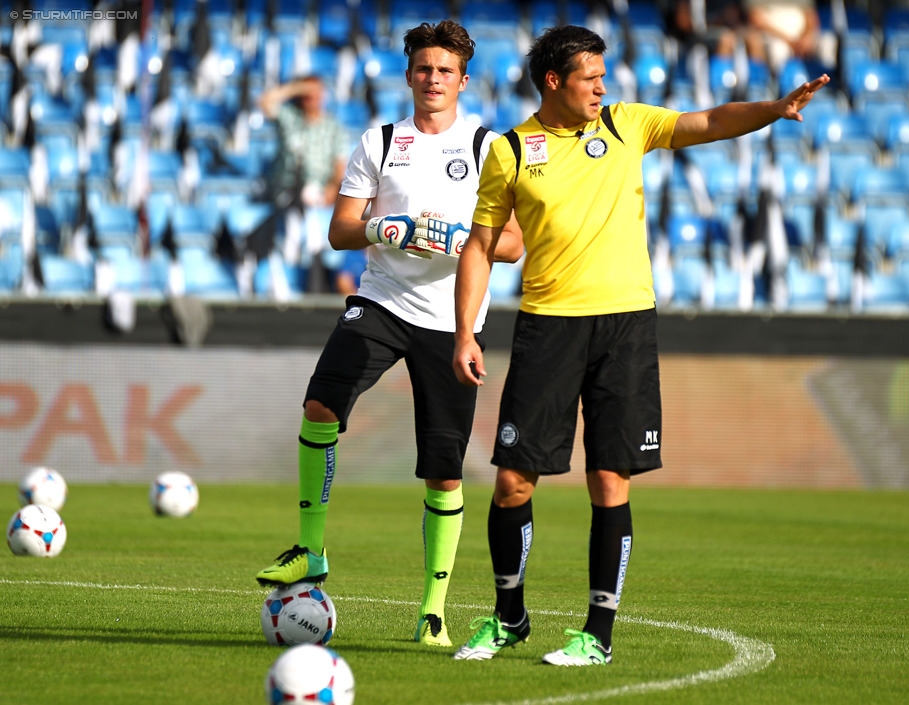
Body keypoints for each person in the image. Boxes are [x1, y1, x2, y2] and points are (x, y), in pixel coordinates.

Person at [451, 24, 828, 666]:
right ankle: (509, 617)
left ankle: (597, 634)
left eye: (603, 74)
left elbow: (706, 121)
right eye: (589, 76)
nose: (603, 85)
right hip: (548, 326)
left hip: (626, 325)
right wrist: (466, 330)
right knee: (513, 481)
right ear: (553, 81)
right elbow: (483, 246)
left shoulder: (627, 124)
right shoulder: (512, 150)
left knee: (609, 479)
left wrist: (774, 109)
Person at [254, 20, 524, 650]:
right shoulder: (378, 141)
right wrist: (386, 229)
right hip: (380, 301)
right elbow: (341, 229)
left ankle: (433, 610)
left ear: (463, 80)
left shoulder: (488, 146)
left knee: (444, 472)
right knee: (321, 401)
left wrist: (463, 242)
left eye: (445, 71)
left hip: (452, 320)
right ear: (408, 75)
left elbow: (513, 242)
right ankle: (311, 549)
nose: (433, 79)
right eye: (424, 69)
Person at [258, 75, 348, 208]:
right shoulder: (289, 117)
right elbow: (264, 102)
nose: (312, 97)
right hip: (286, 188)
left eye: (316, 93)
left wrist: (332, 188)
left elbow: (340, 164)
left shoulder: (334, 127)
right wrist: (298, 88)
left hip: (320, 190)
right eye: (307, 94)